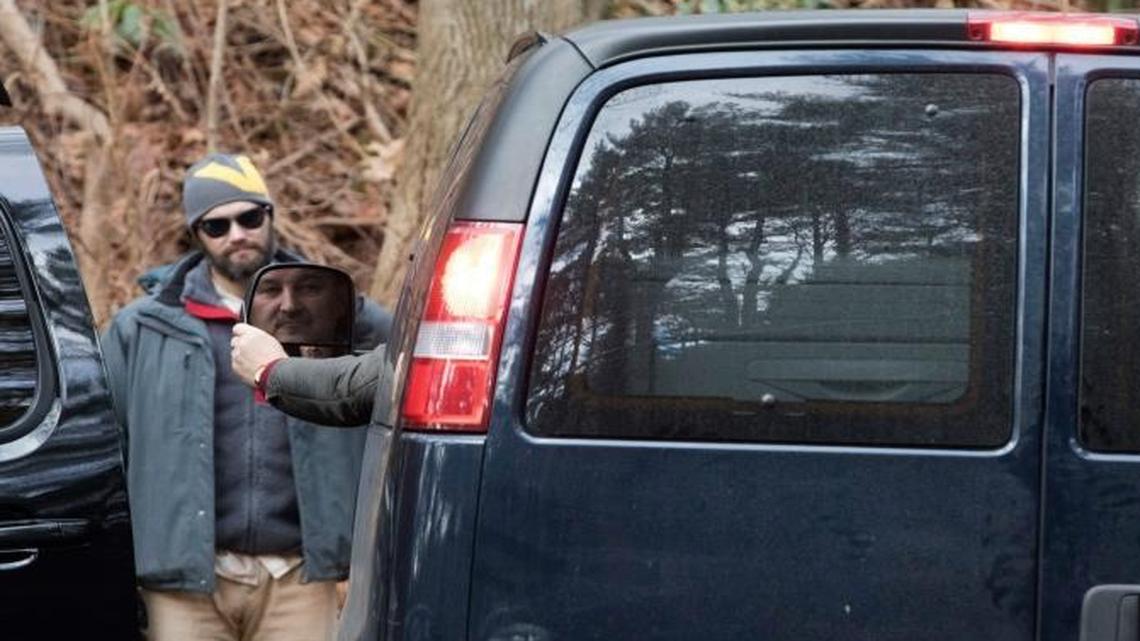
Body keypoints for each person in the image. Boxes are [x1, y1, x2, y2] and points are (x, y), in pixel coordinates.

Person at [101, 152, 390, 641]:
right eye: (217, 225)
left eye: (250, 217)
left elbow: (399, 362)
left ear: (270, 217)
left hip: (299, 576)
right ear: (197, 236)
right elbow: (109, 449)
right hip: (184, 583)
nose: (237, 234)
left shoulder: (331, 310)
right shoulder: (142, 327)